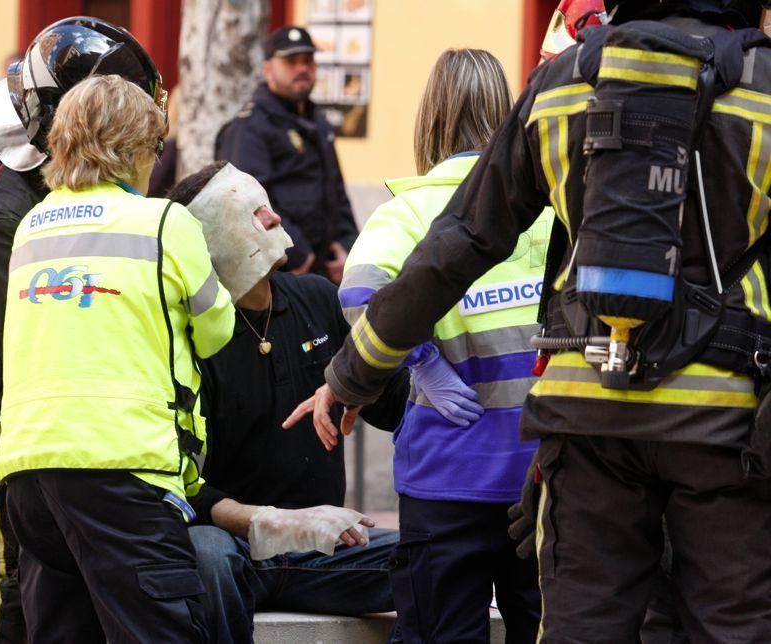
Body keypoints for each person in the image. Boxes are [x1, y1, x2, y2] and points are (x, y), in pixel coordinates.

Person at [291, 1, 771, 641]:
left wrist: (352, 377)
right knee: (734, 627)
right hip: (730, 422)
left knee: (581, 624)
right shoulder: (762, 86)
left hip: (586, 418)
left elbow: (454, 249)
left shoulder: (564, 84)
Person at [0, 17, 168, 643]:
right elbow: (29, 336)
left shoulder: (37, 178)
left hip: (35, 423)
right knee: (10, 589)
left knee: (50, 591)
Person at [0, 73, 234, 643]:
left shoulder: (31, 225)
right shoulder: (163, 223)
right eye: (154, 147)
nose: (156, 160)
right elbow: (217, 328)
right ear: (131, 147)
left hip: (31, 473)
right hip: (121, 470)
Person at [318, 49, 546, 643]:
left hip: (446, 475)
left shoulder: (408, 211)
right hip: (544, 475)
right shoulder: (543, 207)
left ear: (430, 118)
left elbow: (360, 290)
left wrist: (424, 364)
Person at [168, 160, 408, 644]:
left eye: (268, 208)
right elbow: (181, 483)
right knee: (204, 553)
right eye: (253, 214)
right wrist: (272, 522)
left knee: (437, 554)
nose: (275, 220)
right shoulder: (188, 334)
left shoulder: (318, 298)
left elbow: (394, 407)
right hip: (235, 546)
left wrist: (388, 355)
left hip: (327, 551)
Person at [215, 26, 358, 284]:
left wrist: (351, 250)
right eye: (291, 61)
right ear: (267, 68)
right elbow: (246, 202)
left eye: (308, 60)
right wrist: (299, 255)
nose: (302, 68)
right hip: (283, 273)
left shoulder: (317, 122)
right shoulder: (250, 127)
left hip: (325, 272)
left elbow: (336, 191)